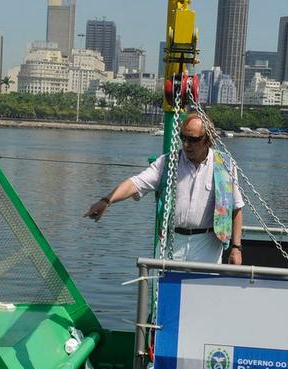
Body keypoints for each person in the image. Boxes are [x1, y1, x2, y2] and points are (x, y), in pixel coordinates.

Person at [84, 112, 244, 265]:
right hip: (172, 240)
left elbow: (236, 209)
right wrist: (107, 200)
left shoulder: (225, 166)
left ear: (208, 140)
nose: (187, 144)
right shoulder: (167, 163)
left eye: (193, 139)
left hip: (208, 244)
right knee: (164, 289)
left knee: (202, 290)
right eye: (183, 138)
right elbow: (135, 183)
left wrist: (236, 248)